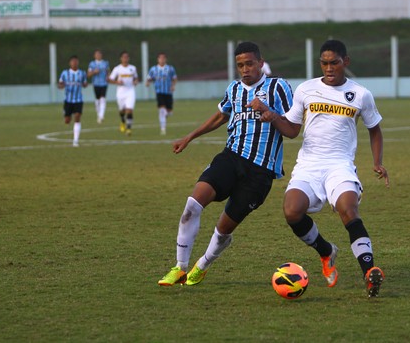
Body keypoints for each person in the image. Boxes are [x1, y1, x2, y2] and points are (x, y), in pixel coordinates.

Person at [249, 39, 388, 298]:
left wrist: (377, 162)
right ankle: (326, 251)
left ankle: (369, 272)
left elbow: (375, 129)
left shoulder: (360, 94)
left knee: (349, 209)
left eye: (334, 62)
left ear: (345, 62)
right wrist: (271, 115)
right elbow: (291, 130)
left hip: (340, 166)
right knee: (292, 212)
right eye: (324, 63)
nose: (328, 67)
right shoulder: (306, 90)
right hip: (309, 166)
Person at [157, 42, 294, 287]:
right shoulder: (234, 90)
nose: (245, 69)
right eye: (240, 65)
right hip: (231, 158)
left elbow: (293, 127)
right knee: (192, 205)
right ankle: (179, 267)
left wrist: (269, 112)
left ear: (261, 63)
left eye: (250, 63)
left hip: (260, 173)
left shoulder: (278, 87)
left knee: (223, 230)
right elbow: (221, 116)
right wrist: (189, 137)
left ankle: (202, 265)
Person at [58, 55, 88, 147]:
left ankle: (75, 141)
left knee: (77, 116)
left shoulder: (82, 73)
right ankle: (66, 114)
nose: (74, 63)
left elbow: (85, 84)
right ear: (70, 63)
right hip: (68, 100)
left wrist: (85, 84)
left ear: (78, 62)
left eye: (76, 61)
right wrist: (61, 86)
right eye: (73, 61)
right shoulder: (65, 73)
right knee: (67, 121)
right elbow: (60, 84)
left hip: (78, 99)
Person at [146, 53, 178, 135]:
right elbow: (149, 78)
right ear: (158, 59)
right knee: (162, 110)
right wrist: (148, 82)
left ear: (165, 59)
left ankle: (164, 115)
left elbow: (174, 78)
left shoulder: (170, 68)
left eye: (163, 58)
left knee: (169, 112)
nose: (162, 60)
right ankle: (163, 129)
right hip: (159, 92)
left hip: (168, 92)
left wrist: (173, 86)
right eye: (160, 58)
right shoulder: (153, 69)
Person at [108, 51, 139, 135]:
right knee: (122, 110)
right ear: (121, 58)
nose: (125, 59)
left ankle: (129, 128)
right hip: (121, 92)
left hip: (130, 91)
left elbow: (136, 78)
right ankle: (122, 122)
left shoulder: (133, 68)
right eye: (124, 57)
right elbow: (110, 79)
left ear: (128, 58)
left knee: (129, 110)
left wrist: (135, 82)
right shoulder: (117, 68)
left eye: (127, 57)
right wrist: (117, 82)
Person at [87, 49, 110, 124]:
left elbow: (108, 72)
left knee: (102, 98)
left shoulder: (105, 63)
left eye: (99, 54)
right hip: (96, 83)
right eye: (96, 54)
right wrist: (94, 72)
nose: (98, 56)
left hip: (104, 83)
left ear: (101, 55)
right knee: (97, 100)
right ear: (94, 55)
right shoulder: (92, 64)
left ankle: (101, 115)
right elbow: (89, 74)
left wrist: (109, 77)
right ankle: (98, 114)